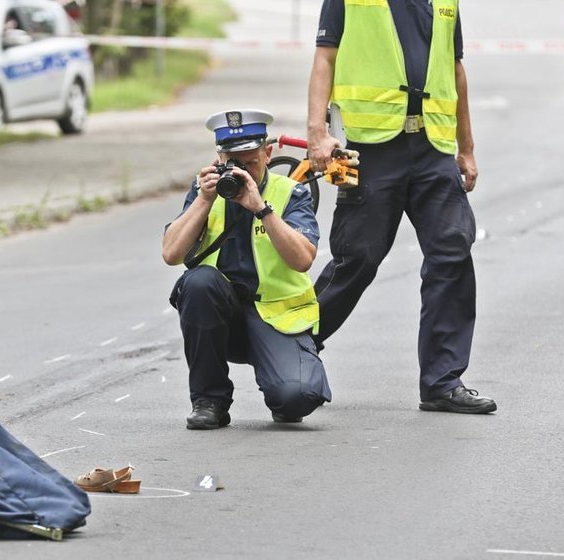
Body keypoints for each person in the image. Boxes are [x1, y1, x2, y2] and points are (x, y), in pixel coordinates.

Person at [306, 0, 496, 414]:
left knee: (452, 250)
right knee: (357, 258)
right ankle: (293, 347)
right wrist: (317, 133)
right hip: (372, 148)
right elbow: (326, 57)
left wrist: (466, 147)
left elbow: (455, 68)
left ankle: (443, 382)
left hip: (433, 148)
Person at [162, 109, 332, 430]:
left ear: (268, 153)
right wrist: (203, 201)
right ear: (219, 157)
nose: (243, 173)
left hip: (275, 319)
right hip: (222, 315)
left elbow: (303, 259)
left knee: (297, 398)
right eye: (233, 163)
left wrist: (261, 208)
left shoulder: (289, 193)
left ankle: (282, 380)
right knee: (198, 283)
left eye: (250, 163)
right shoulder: (206, 191)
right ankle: (209, 401)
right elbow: (171, 254)